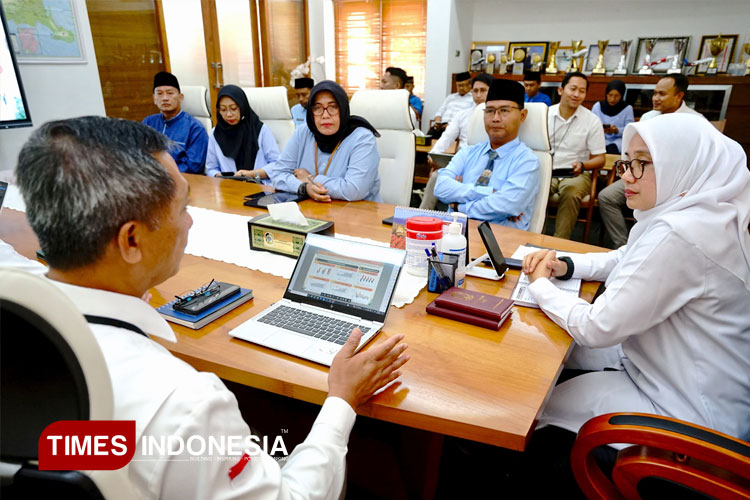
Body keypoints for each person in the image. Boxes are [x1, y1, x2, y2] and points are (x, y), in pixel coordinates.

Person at [15, 116, 409, 500]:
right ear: (131, 241)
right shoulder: (186, 403)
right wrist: (342, 399)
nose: (190, 223)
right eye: (182, 208)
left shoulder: (18, 327)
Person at [519, 113, 750, 496]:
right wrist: (565, 262)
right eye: (627, 161)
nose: (626, 174)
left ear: (684, 162)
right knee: (550, 368)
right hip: (677, 375)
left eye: (643, 162)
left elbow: (596, 328)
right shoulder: (707, 213)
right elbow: (626, 256)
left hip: (687, 416)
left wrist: (541, 285)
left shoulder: (682, 234)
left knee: (535, 406)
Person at [598, 74, 702, 248]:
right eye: (654, 93)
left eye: (662, 94)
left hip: (676, 186)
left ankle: (650, 246)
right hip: (640, 174)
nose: (655, 98)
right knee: (607, 197)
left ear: (679, 96)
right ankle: (624, 246)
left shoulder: (696, 122)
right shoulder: (648, 117)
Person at [433, 79, 539, 229]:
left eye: (504, 111)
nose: (495, 118)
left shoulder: (527, 161)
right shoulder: (468, 152)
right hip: (457, 234)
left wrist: (458, 206)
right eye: (489, 111)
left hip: (501, 241)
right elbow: (441, 187)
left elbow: (506, 205)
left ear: (522, 115)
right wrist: (489, 192)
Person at [271, 81, 382, 202]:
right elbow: (277, 174)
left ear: (343, 108)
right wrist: (304, 187)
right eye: (317, 108)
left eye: (333, 107)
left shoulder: (362, 138)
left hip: (359, 213)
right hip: (313, 212)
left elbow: (354, 190)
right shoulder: (303, 132)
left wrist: (310, 178)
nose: (325, 115)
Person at [419, 73, 493, 210]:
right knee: (436, 176)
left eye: (483, 90)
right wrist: (434, 155)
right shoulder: (463, 114)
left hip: (485, 166)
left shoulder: (495, 117)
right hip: (461, 163)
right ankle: (421, 216)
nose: (478, 95)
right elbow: (447, 137)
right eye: (475, 91)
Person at [547, 72, 606, 240]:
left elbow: (600, 158)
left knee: (571, 193)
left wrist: (583, 165)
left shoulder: (592, 120)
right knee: (536, 189)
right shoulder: (545, 114)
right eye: (572, 89)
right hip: (548, 171)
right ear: (560, 90)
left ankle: (559, 244)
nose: (576, 94)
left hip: (576, 173)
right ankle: (535, 236)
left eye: (581, 91)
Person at [205, 84, 280, 181]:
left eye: (233, 108)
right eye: (223, 109)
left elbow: (276, 164)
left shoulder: (260, 129)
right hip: (228, 189)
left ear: (242, 106)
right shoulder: (215, 133)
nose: (228, 114)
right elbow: (211, 168)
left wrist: (252, 174)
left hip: (260, 188)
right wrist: (218, 176)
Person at [143, 71, 208, 174]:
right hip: (149, 179)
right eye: (159, 94)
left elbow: (193, 167)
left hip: (182, 182)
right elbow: (138, 154)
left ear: (180, 97)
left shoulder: (195, 128)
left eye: (170, 93)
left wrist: (161, 174)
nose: (165, 98)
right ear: (154, 98)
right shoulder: (148, 122)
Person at [590, 79, 634, 154]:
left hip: (618, 140)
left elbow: (630, 130)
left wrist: (617, 130)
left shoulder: (627, 109)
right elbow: (590, 125)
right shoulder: (597, 106)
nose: (612, 99)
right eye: (610, 95)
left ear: (622, 95)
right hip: (600, 138)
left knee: (613, 149)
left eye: (616, 96)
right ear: (606, 94)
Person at [431, 71, 474, 138]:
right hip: (441, 126)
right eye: (458, 86)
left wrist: (450, 125)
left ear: (469, 85)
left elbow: (468, 118)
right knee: (427, 139)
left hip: (456, 128)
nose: (461, 88)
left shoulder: (472, 99)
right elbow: (440, 112)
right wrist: (437, 122)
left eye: (463, 85)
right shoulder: (450, 97)